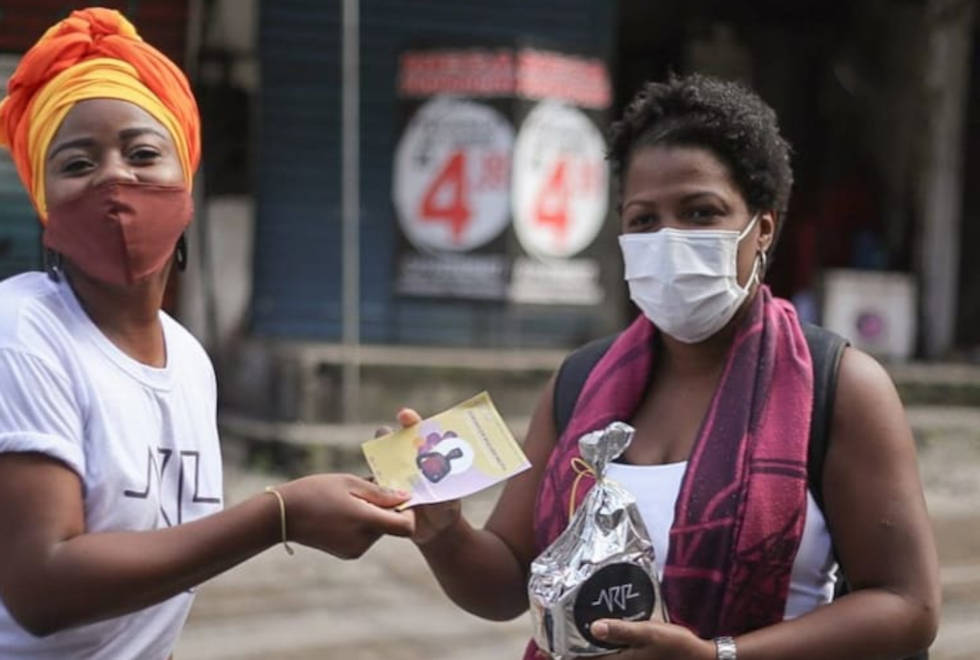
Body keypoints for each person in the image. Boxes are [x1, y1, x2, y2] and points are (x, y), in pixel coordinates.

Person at [396, 74, 940, 659]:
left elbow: (907, 605)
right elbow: (506, 582)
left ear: (762, 230)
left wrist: (720, 656)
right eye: (644, 220)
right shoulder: (580, 383)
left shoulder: (838, 386)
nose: (669, 240)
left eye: (701, 212)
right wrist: (444, 533)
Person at [0, 8, 413, 659]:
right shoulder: (22, 333)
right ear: (45, 202)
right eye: (78, 163)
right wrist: (279, 514)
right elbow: (41, 588)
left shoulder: (190, 361)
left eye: (142, 153)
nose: (115, 178)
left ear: (186, 177)